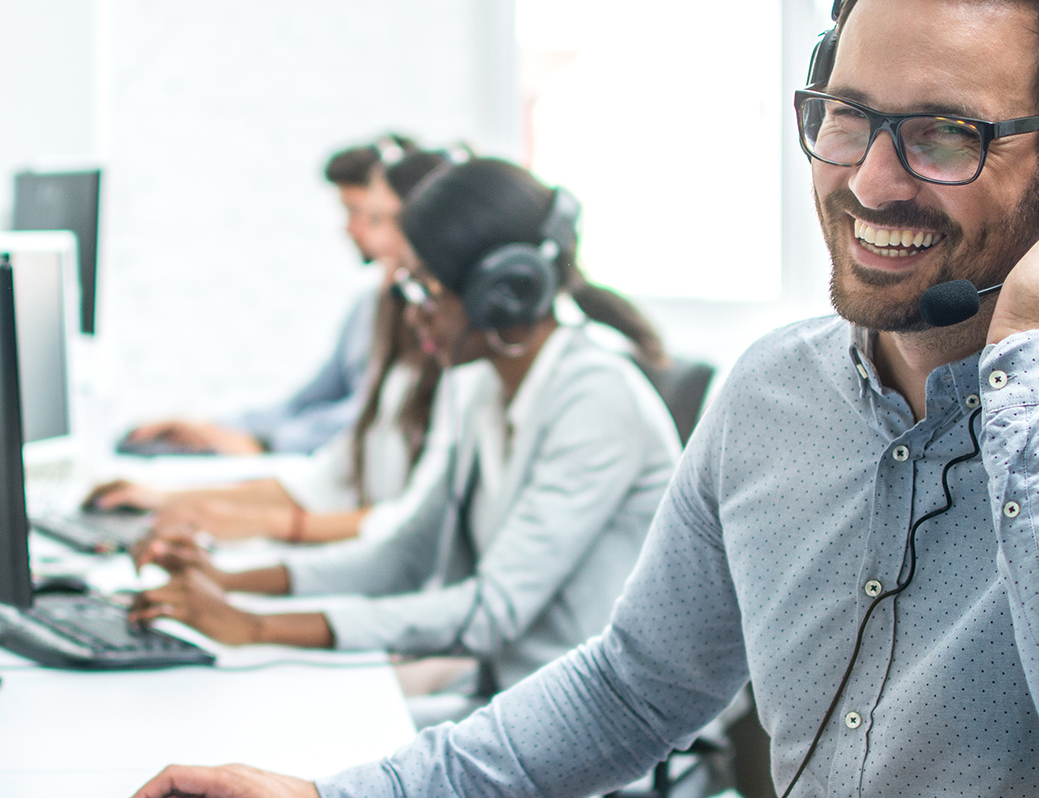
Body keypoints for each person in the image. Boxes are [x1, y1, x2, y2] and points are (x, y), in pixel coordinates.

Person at [109, 3, 1039, 798]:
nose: (870, 181)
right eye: (846, 116)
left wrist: (1031, 368)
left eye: (944, 134)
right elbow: (634, 686)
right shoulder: (771, 394)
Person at [128, 157, 682, 723]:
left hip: (603, 749)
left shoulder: (596, 398)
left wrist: (254, 628)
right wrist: (229, 585)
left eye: (423, 286)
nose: (408, 311)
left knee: (312, 756)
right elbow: (404, 555)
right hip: (519, 705)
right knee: (282, 727)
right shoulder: (478, 385)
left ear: (501, 293)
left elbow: (490, 611)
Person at [87, 151, 454, 543]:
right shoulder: (381, 317)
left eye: (380, 219)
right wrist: (169, 495)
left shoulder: (450, 368)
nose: (364, 234)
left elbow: (406, 525)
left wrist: (259, 468)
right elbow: (324, 466)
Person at [121, 133, 418, 456]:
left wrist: (266, 443)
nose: (350, 229)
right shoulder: (368, 307)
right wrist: (211, 429)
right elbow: (307, 402)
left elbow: (376, 417)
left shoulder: (426, 316)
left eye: (362, 214)